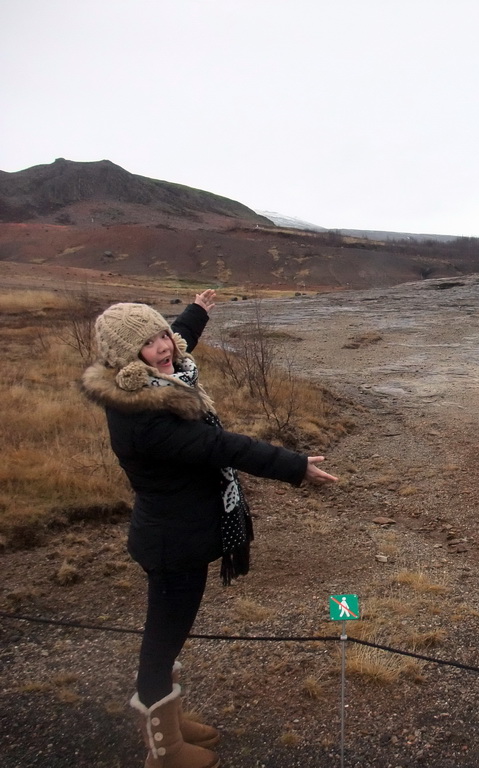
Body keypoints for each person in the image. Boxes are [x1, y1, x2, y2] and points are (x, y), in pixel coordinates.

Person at [81, 289, 337, 768]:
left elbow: (180, 340)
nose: (165, 346)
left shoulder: (158, 381)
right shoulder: (149, 417)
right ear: (125, 357)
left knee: (171, 636)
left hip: (179, 534)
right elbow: (224, 447)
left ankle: (170, 719)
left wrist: (195, 312)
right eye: (151, 342)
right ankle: (164, 748)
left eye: (162, 335)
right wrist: (294, 466)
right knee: (162, 642)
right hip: (171, 543)